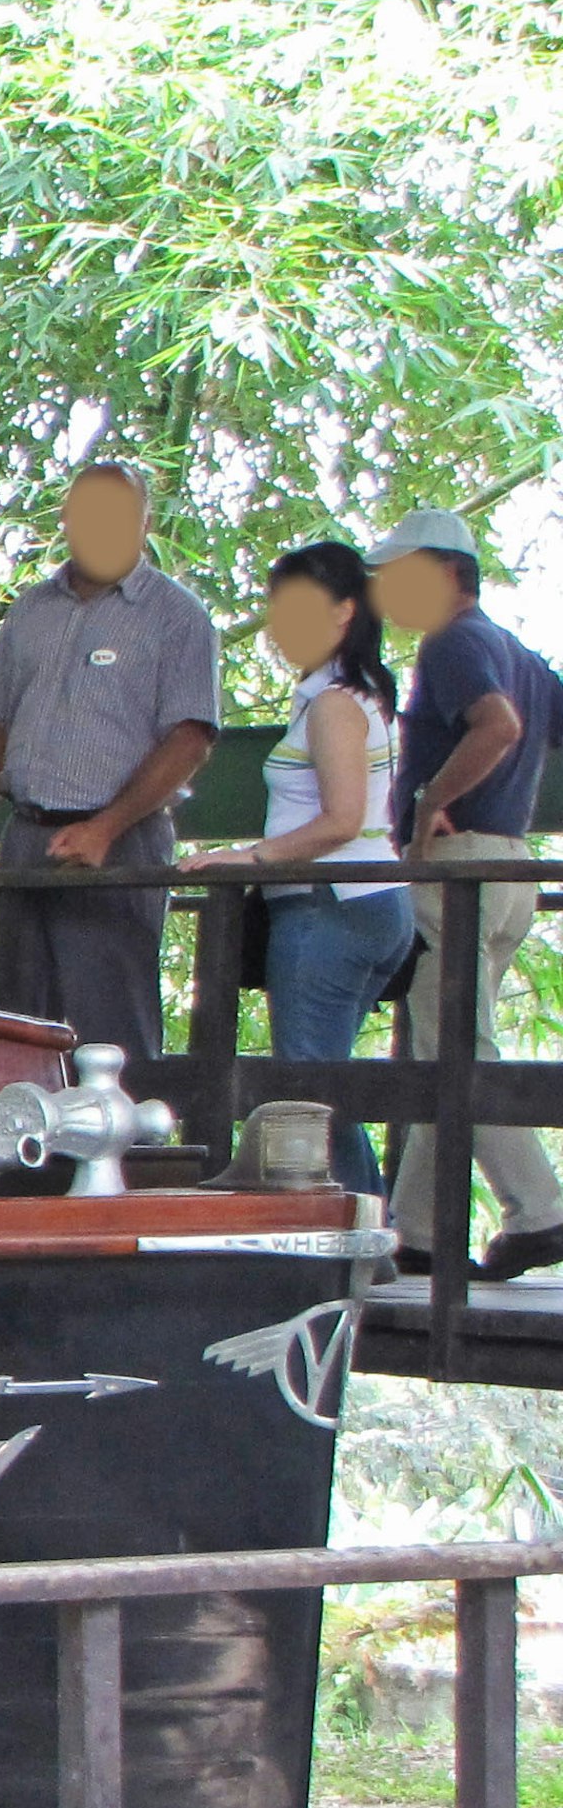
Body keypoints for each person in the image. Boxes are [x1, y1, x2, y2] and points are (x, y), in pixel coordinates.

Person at [0, 461, 222, 1054]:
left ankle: (125, 1149)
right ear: (65, 519)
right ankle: (27, 1145)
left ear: (145, 525)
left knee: (110, 1031)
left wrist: (105, 828)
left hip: (121, 844)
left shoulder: (177, 616)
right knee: (15, 1027)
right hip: (26, 838)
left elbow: (191, 739)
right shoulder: (31, 610)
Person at [181, 542, 414, 1195]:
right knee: (322, 1081)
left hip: (328, 903)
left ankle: (352, 1236)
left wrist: (249, 856)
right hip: (355, 902)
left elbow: (341, 819)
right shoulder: (344, 696)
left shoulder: (335, 703)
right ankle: (368, 1227)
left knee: (307, 1084)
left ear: (343, 613)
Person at [371, 508, 563, 1279]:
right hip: (510, 865)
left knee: (456, 1049)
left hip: (460, 868)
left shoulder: (453, 643)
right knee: (436, 1052)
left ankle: (540, 1213)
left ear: (446, 572)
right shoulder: (516, 651)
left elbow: (499, 727)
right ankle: (412, 1232)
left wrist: (426, 803)